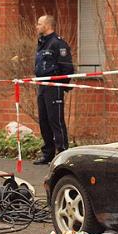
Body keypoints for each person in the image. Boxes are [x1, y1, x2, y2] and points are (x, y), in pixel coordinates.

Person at [33, 15, 74, 165]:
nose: (37, 26)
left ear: (47, 25)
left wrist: (61, 84)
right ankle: (48, 154)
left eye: (39, 24)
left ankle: (62, 153)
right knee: (44, 120)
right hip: (42, 86)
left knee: (55, 120)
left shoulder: (58, 43)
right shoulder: (43, 43)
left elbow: (67, 67)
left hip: (54, 86)